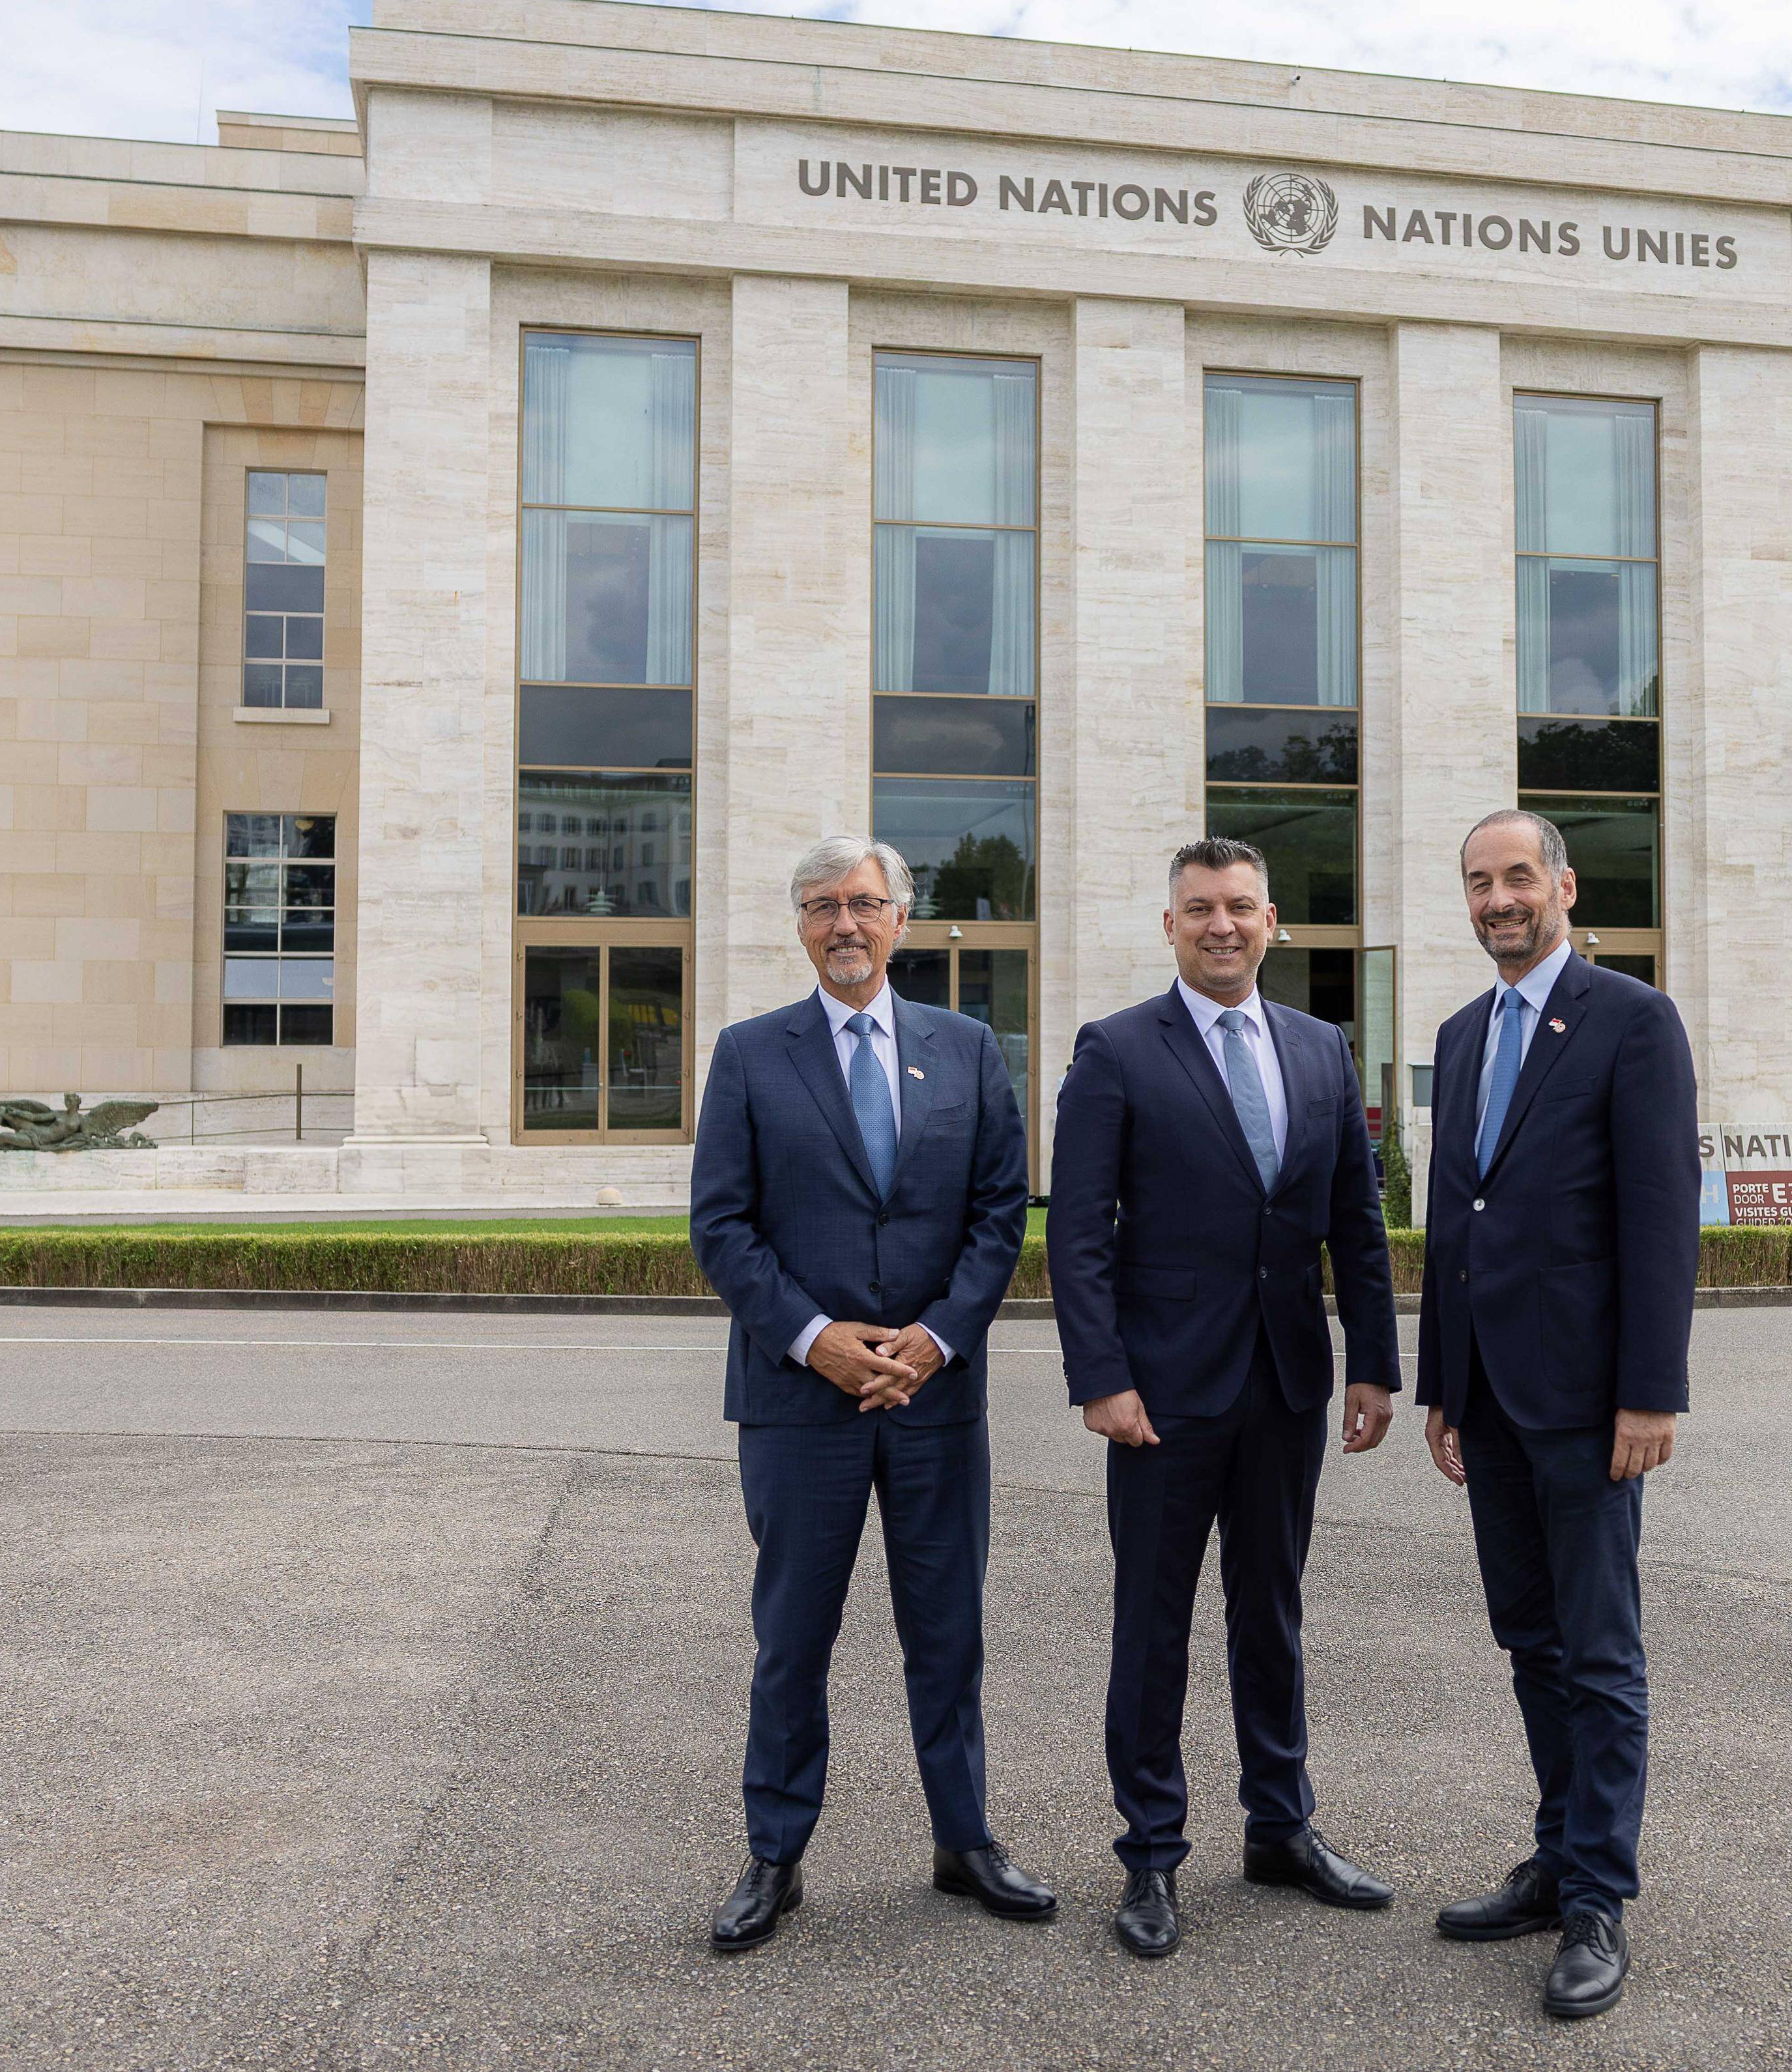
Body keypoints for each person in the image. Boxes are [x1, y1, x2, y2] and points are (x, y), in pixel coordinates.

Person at [687, 834, 1054, 1953]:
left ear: (902, 915)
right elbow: (722, 1226)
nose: (844, 922)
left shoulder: (970, 1046)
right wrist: (816, 1338)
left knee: (947, 1634)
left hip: (937, 1405)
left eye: (864, 902)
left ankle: (963, 1840)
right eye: (821, 905)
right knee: (792, 1638)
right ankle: (775, 1856)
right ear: (797, 924)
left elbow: (1002, 1215)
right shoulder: (752, 1054)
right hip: (802, 1406)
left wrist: (936, 1340)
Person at [1048, 837, 1404, 1959]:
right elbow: (1077, 1233)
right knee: (1153, 1624)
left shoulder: (1320, 1047)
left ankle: (1280, 1827)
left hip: (1289, 1384)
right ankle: (1150, 1854)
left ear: (1272, 919)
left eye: (1240, 906)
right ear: (1169, 925)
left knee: (1274, 1615)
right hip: (1161, 1394)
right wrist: (1100, 1376)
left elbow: (1357, 1219)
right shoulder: (1114, 1050)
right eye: (1199, 908)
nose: (1221, 924)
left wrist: (1376, 1362)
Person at [1415, 808, 1699, 2022]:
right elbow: (1455, 1220)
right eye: (1479, 882)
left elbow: (1659, 1219)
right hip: (1490, 1397)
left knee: (1599, 1650)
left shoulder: (1634, 1022)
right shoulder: (1463, 1031)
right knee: (1528, 1640)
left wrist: (1651, 1389)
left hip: (1591, 1402)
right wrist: (1442, 1382)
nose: (1497, 900)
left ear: (1564, 886)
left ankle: (1597, 1898)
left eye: (1516, 877)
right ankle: (1554, 1853)